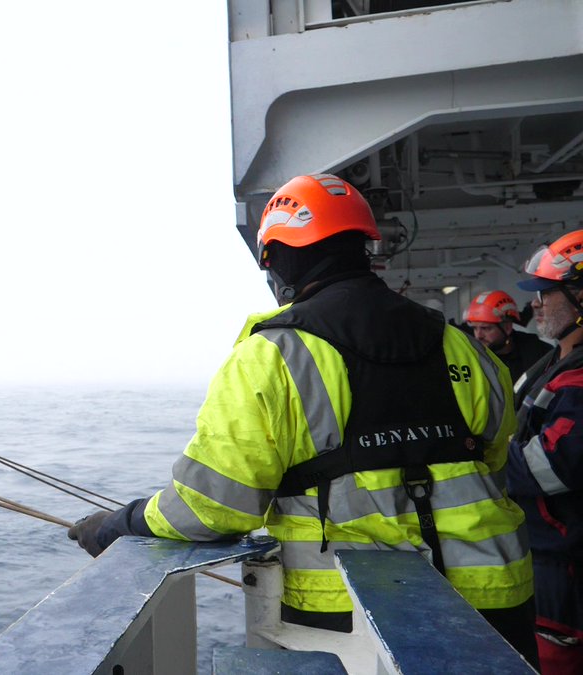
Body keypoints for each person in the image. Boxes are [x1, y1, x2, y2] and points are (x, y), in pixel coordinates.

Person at [68, 173, 537, 666]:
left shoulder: (271, 355)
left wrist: (120, 524)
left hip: (352, 614)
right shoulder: (460, 344)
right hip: (496, 594)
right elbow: (493, 454)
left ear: (279, 259)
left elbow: (212, 506)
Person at [506, 230, 583, 673]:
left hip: (567, 566)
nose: (535, 304)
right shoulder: (557, 362)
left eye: (545, 293)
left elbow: (550, 466)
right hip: (547, 558)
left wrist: (480, 454)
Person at [466, 289, 551, 387]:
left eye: (485, 328)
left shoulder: (539, 353)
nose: (478, 336)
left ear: (507, 328)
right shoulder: (472, 358)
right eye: (475, 328)